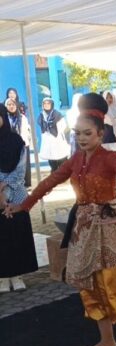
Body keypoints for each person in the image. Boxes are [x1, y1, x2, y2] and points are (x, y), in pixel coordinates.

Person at [5, 93, 116, 346]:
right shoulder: (76, 159)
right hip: (82, 228)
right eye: (78, 133)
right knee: (88, 285)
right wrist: (24, 205)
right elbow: (49, 182)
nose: (81, 138)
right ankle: (107, 340)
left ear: (100, 134)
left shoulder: (110, 158)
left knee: (115, 283)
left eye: (87, 133)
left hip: (106, 227)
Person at [0, 104, 38, 292]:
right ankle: (2, 278)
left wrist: (4, 186)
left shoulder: (16, 140)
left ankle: (17, 275)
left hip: (16, 194)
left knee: (17, 235)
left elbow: (21, 168)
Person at [4, 98, 32, 187]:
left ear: (16, 106)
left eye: (13, 104)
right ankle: (13, 184)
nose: (11, 106)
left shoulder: (22, 117)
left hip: (22, 144)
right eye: (9, 105)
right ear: (6, 106)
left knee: (24, 165)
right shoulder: (4, 118)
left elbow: (27, 131)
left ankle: (26, 184)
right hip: (9, 146)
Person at [38, 97, 70, 173]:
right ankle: (54, 172)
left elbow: (63, 126)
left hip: (57, 139)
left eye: (48, 103)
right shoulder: (42, 115)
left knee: (61, 158)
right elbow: (41, 126)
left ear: (51, 104)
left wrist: (57, 131)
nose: (46, 105)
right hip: (48, 140)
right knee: (51, 159)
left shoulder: (57, 114)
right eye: (45, 103)